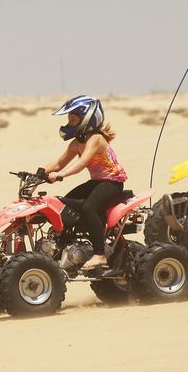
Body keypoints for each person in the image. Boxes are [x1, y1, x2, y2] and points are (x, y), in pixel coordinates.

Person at [43, 95, 128, 270]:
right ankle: (66, 248)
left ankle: (100, 255)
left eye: (73, 119)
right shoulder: (76, 143)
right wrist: (39, 174)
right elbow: (58, 163)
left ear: (87, 119)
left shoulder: (95, 138)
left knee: (89, 208)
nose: (69, 122)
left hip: (112, 182)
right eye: (69, 118)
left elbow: (82, 163)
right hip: (97, 182)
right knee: (62, 205)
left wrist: (60, 176)